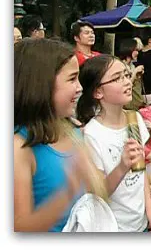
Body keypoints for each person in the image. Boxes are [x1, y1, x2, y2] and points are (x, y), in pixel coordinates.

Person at [14, 39, 100, 231]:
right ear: (40, 85)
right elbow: (18, 228)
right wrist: (69, 190)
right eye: (71, 79)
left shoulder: (73, 131)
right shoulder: (18, 148)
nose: (80, 87)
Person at [76, 55, 151, 232]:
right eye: (117, 78)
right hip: (114, 227)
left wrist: (150, 210)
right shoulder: (92, 134)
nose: (126, 82)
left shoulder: (135, 118)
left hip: (140, 223)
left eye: (126, 75)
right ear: (98, 92)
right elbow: (99, 193)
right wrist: (122, 166)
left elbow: (141, 174)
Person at [117, 38, 145, 111]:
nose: (137, 53)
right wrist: (135, 72)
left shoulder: (132, 66)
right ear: (128, 49)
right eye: (135, 50)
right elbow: (123, 86)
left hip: (135, 104)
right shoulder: (120, 65)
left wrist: (137, 75)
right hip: (125, 107)